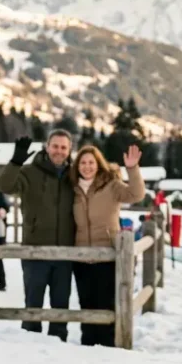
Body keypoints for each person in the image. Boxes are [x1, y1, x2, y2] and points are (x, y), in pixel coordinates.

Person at [0, 132, 76, 341]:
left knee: (61, 303)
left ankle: (60, 340)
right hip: (35, 251)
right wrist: (16, 161)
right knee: (33, 302)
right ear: (47, 147)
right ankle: (30, 341)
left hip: (65, 253)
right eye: (55, 146)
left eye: (63, 148)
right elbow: (4, 186)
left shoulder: (74, 175)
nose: (59, 151)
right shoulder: (30, 172)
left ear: (69, 151)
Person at [70, 144, 145, 346]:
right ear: (77, 166)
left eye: (91, 163)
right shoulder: (73, 188)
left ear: (98, 164)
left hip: (108, 254)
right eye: (83, 163)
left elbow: (136, 195)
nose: (87, 167)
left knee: (107, 303)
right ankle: (88, 343)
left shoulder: (111, 185)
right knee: (86, 303)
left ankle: (108, 345)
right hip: (82, 257)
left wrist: (132, 169)